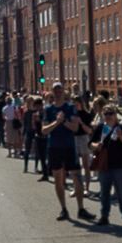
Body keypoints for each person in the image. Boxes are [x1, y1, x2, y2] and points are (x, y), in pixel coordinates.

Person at [42, 82, 94, 222]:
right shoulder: (48, 109)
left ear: (64, 92)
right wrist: (56, 122)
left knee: (77, 176)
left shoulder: (70, 107)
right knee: (58, 179)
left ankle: (81, 208)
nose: (58, 93)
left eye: (60, 91)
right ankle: (63, 209)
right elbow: (44, 130)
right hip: (54, 147)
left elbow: (75, 128)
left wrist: (63, 120)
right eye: (55, 91)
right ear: (52, 93)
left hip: (69, 147)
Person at [90, 105, 122, 226]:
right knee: (105, 192)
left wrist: (120, 136)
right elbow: (90, 144)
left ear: (115, 115)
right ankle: (104, 216)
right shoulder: (100, 128)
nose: (108, 116)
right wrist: (95, 145)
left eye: (111, 113)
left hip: (120, 164)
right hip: (104, 164)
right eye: (106, 114)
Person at [73, 96, 95, 191]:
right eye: (73, 104)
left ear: (81, 104)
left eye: (76, 104)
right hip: (74, 138)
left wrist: (81, 123)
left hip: (83, 138)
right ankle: (77, 187)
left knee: (85, 164)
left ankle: (87, 188)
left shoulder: (86, 115)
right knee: (75, 165)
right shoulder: (71, 114)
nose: (75, 106)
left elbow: (89, 131)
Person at [28, 97, 48, 175]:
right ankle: (44, 172)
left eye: (37, 106)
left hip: (45, 136)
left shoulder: (45, 113)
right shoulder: (35, 114)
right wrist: (33, 121)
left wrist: (39, 120)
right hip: (38, 135)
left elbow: (46, 123)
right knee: (40, 154)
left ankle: (47, 169)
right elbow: (33, 127)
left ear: (40, 105)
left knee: (46, 154)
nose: (36, 108)